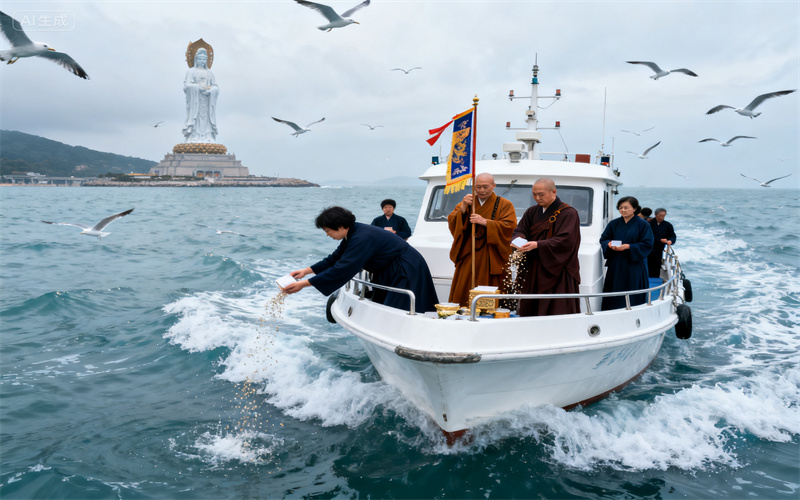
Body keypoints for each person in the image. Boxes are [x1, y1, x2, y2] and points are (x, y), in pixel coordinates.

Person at [282, 206, 438, 314]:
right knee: (385, 305)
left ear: (340, 226)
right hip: (389, 268)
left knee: (401, 308)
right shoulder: (353, 232)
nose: (327, 235)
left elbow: (343, 268)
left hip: (404, 268)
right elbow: (335, 258)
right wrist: (306, 271)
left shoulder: (361, 237)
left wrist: (304, 284)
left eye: (328, 231)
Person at [511, 178, 582, 316]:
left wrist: (538, 245)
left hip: (558, 268)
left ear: (553, 192)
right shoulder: (532, 211)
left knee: (557, 307)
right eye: (534, 194)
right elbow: (520, 230)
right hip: (534, 265)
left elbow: (567, 241)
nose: (537, 198)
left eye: (541, 194)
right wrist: (518, 240)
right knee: (531, 305)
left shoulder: (568, 213)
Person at [447, 173, 517, 306]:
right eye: (478, 187)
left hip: (491, 254)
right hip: (469, 252)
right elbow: (452, 222)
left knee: (489, 285)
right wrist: (463, 208)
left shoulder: (504, 204)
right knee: (464, 284)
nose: (482, 190)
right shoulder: (468, 202)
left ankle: (487, 311)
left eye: (485, 187)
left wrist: (485, 222)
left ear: (493, 186)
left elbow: (510, 226)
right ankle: (462, 309)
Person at [600, 196, 654, 310]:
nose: (623, 210)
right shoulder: (614, 223)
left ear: (634, 208)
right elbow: (604, 239)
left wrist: (629, 246)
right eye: (620, 208)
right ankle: (611, 310)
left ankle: (633, 310)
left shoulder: (643, 224)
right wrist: (608, 244)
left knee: (632, 290)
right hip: (616, 263)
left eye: (626, 207)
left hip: (634, 265)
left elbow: (647, 243)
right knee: (614, 290)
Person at [182, 48, 219, 143]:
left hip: (207, 100)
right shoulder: (191, 72)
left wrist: (211, 91)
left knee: (207, 119)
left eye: (204, 59)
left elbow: (215, 87)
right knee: (196, 119)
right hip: (195, 100)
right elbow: (187, 86)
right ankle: (194, 136)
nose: (202, 61)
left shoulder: (210, 73)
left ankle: (208, 136)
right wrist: (197, 88)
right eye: (200, 59)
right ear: (196, 59)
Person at [647, 208, 677, 278]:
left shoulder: (668, 225)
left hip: (659, 249)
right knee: (647, 264)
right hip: (648, 247)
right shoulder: (648, 224)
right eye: (660, 215)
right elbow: (647, 236)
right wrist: (659, 240)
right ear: (655, 215)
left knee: (657, 265)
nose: (661, 217)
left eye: (663, 216)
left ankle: (655, 278)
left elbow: (672, 236)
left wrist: (670, 241)